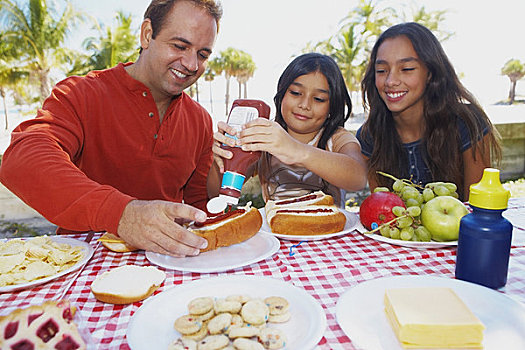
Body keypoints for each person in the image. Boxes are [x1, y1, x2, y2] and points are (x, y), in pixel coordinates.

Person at [0, 0, 223, 257]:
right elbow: (22, 160)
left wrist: (236, 168)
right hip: (84, 265)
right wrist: (122, 214)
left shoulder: (201, 120)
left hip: (170, 265)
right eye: (180, 46)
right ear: (147, 35)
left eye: (203, 54)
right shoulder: (81, 93)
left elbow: (199, 207)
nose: (192, 64)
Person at [356, 22, 501, 201]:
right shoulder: (370, 135)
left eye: (407, 69)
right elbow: (383, 212)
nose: (391, 81)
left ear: (431, 73)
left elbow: (479, 208)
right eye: (381, 70)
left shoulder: (467, 123)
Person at [208, 53, 368, 207]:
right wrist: (223, 158)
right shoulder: (264, 137)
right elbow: (215, 193)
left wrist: (296, 151)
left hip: (328, 232)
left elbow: (358, 179)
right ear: (281, 94)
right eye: (296, 93)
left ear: (332, 106)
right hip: (277, 231)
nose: (304, 104)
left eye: (319, 99)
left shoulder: (337, 138)